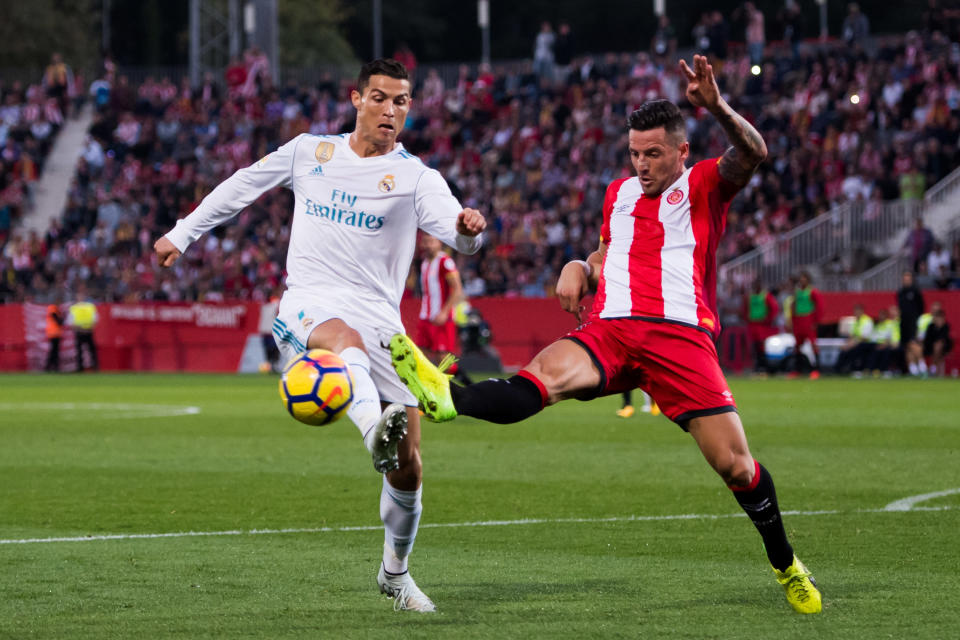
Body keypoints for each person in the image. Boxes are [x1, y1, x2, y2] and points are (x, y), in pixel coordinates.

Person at [390, 55, 821, 614]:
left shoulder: (704, 184)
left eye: (654, 154)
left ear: (681, 151)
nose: (641, 165)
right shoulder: (617, 194)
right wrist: (581, 265)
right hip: (610, 331)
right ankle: (449, 397)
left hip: (679, 339)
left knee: (736, 466)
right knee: (538, 380)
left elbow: (754, 153)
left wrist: (715, 105)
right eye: (635, 154)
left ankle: (787, 565)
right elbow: (606, 255)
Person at [153, 59, 486, 613]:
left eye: (400, 101)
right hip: (310, 304)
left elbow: (458, 233)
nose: (390, 109)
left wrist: (467, 230)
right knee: (343, 341)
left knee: (410, 466)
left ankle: (395, 574)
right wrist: (182, 233)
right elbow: (244, 185)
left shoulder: (416, 177)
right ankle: (371, 428)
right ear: (357, 98)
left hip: (384, 324)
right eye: (379, 97)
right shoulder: (311, 151)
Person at [417, 233, 471, 385]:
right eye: (425, 241)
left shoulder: (445, 262)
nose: (428, 245)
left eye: (431, 241)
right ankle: (426, 393)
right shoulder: (424, 263)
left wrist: (445, 312)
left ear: (439, 243)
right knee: (422, 357)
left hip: (442, 318)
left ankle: (468, 384)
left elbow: (457, 288)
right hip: (425, 317)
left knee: (443, 360)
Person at [788, 271, 822, 379]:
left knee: (813, 345)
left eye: (804, 278)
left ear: (808, 280)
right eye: (801, 278)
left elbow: (820, 307)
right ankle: (797, 370)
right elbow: (793, 307)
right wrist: (792, 321)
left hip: (808, 320)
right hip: (799, 321)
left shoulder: (812, 292)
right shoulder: (796, 293)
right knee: (797, 346)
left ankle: (816, 370)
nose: (802, 281)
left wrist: (815, 321)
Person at [743, 279, 779, 373]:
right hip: (752, 324)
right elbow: (745, 309)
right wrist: (747, 318)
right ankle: (757, 366)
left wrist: (768, 320)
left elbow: (774, 308)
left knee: (762, 345)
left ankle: (764, 366)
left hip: (762, 325)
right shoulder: (750, 297)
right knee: (754, 346)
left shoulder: (766, 296)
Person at [834, 304, 874, 375]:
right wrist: (847, 344)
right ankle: (839, 370)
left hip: (866, 344)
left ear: (862, 311)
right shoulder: (855, 322)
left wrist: (851, 344)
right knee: (843, 351)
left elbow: (864, 337)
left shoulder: (867, 321)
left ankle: (855, 369)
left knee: (854, 349)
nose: (856, 313)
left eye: (858, 311)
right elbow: (852, 336)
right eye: (855, 311)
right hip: (856, 343)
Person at [907, 301, 940, 376]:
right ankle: (915, 372)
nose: (934, 310)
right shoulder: (923, 317)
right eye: (934, 308)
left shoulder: (940, 321)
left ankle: (924, 369)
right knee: (910, 346)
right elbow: (917, 331)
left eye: (937, 308)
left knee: (916, 347)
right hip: (920, 341)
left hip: (931, 342)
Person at [67, 296, 99, 372]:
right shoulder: (90, 307)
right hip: (87, 331)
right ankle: (94, 367)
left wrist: (80, 328)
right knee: (90, 351)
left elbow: (70, 322)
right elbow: (95, 319)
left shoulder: (74, 308)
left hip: (81, 332)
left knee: (81, 351)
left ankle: (81, 368)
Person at [897, 270, 925, 348]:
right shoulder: (900, 292)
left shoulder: (916, 291)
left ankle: (916, 360)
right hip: (903, 321)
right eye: (905, 279)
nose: (906, 281)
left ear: (911, 280)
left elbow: (921, 306)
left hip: (913, 322)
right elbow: (899, 306)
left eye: (908, 279)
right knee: (903, 343)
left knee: (912, 342)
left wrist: (917, 318)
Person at [923, 308, 953, 376]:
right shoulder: (931, 326)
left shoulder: (946, 326)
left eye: (940, 318)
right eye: (937, 318)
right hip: (930, 347)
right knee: (936, 347)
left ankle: (933, 368)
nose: (938, 320)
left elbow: (944, 338)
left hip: (944, 347)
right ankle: (934, 369)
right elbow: (928, 339)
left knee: (938, 346)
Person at [44, 304, 64, 372]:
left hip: (53, 334)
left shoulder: (52, 310)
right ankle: (51, 367)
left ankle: (50, 367)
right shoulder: (53, 310)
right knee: (54, 352)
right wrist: (62, 317)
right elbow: (59, 322)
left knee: (54, 351)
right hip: (54, 334)